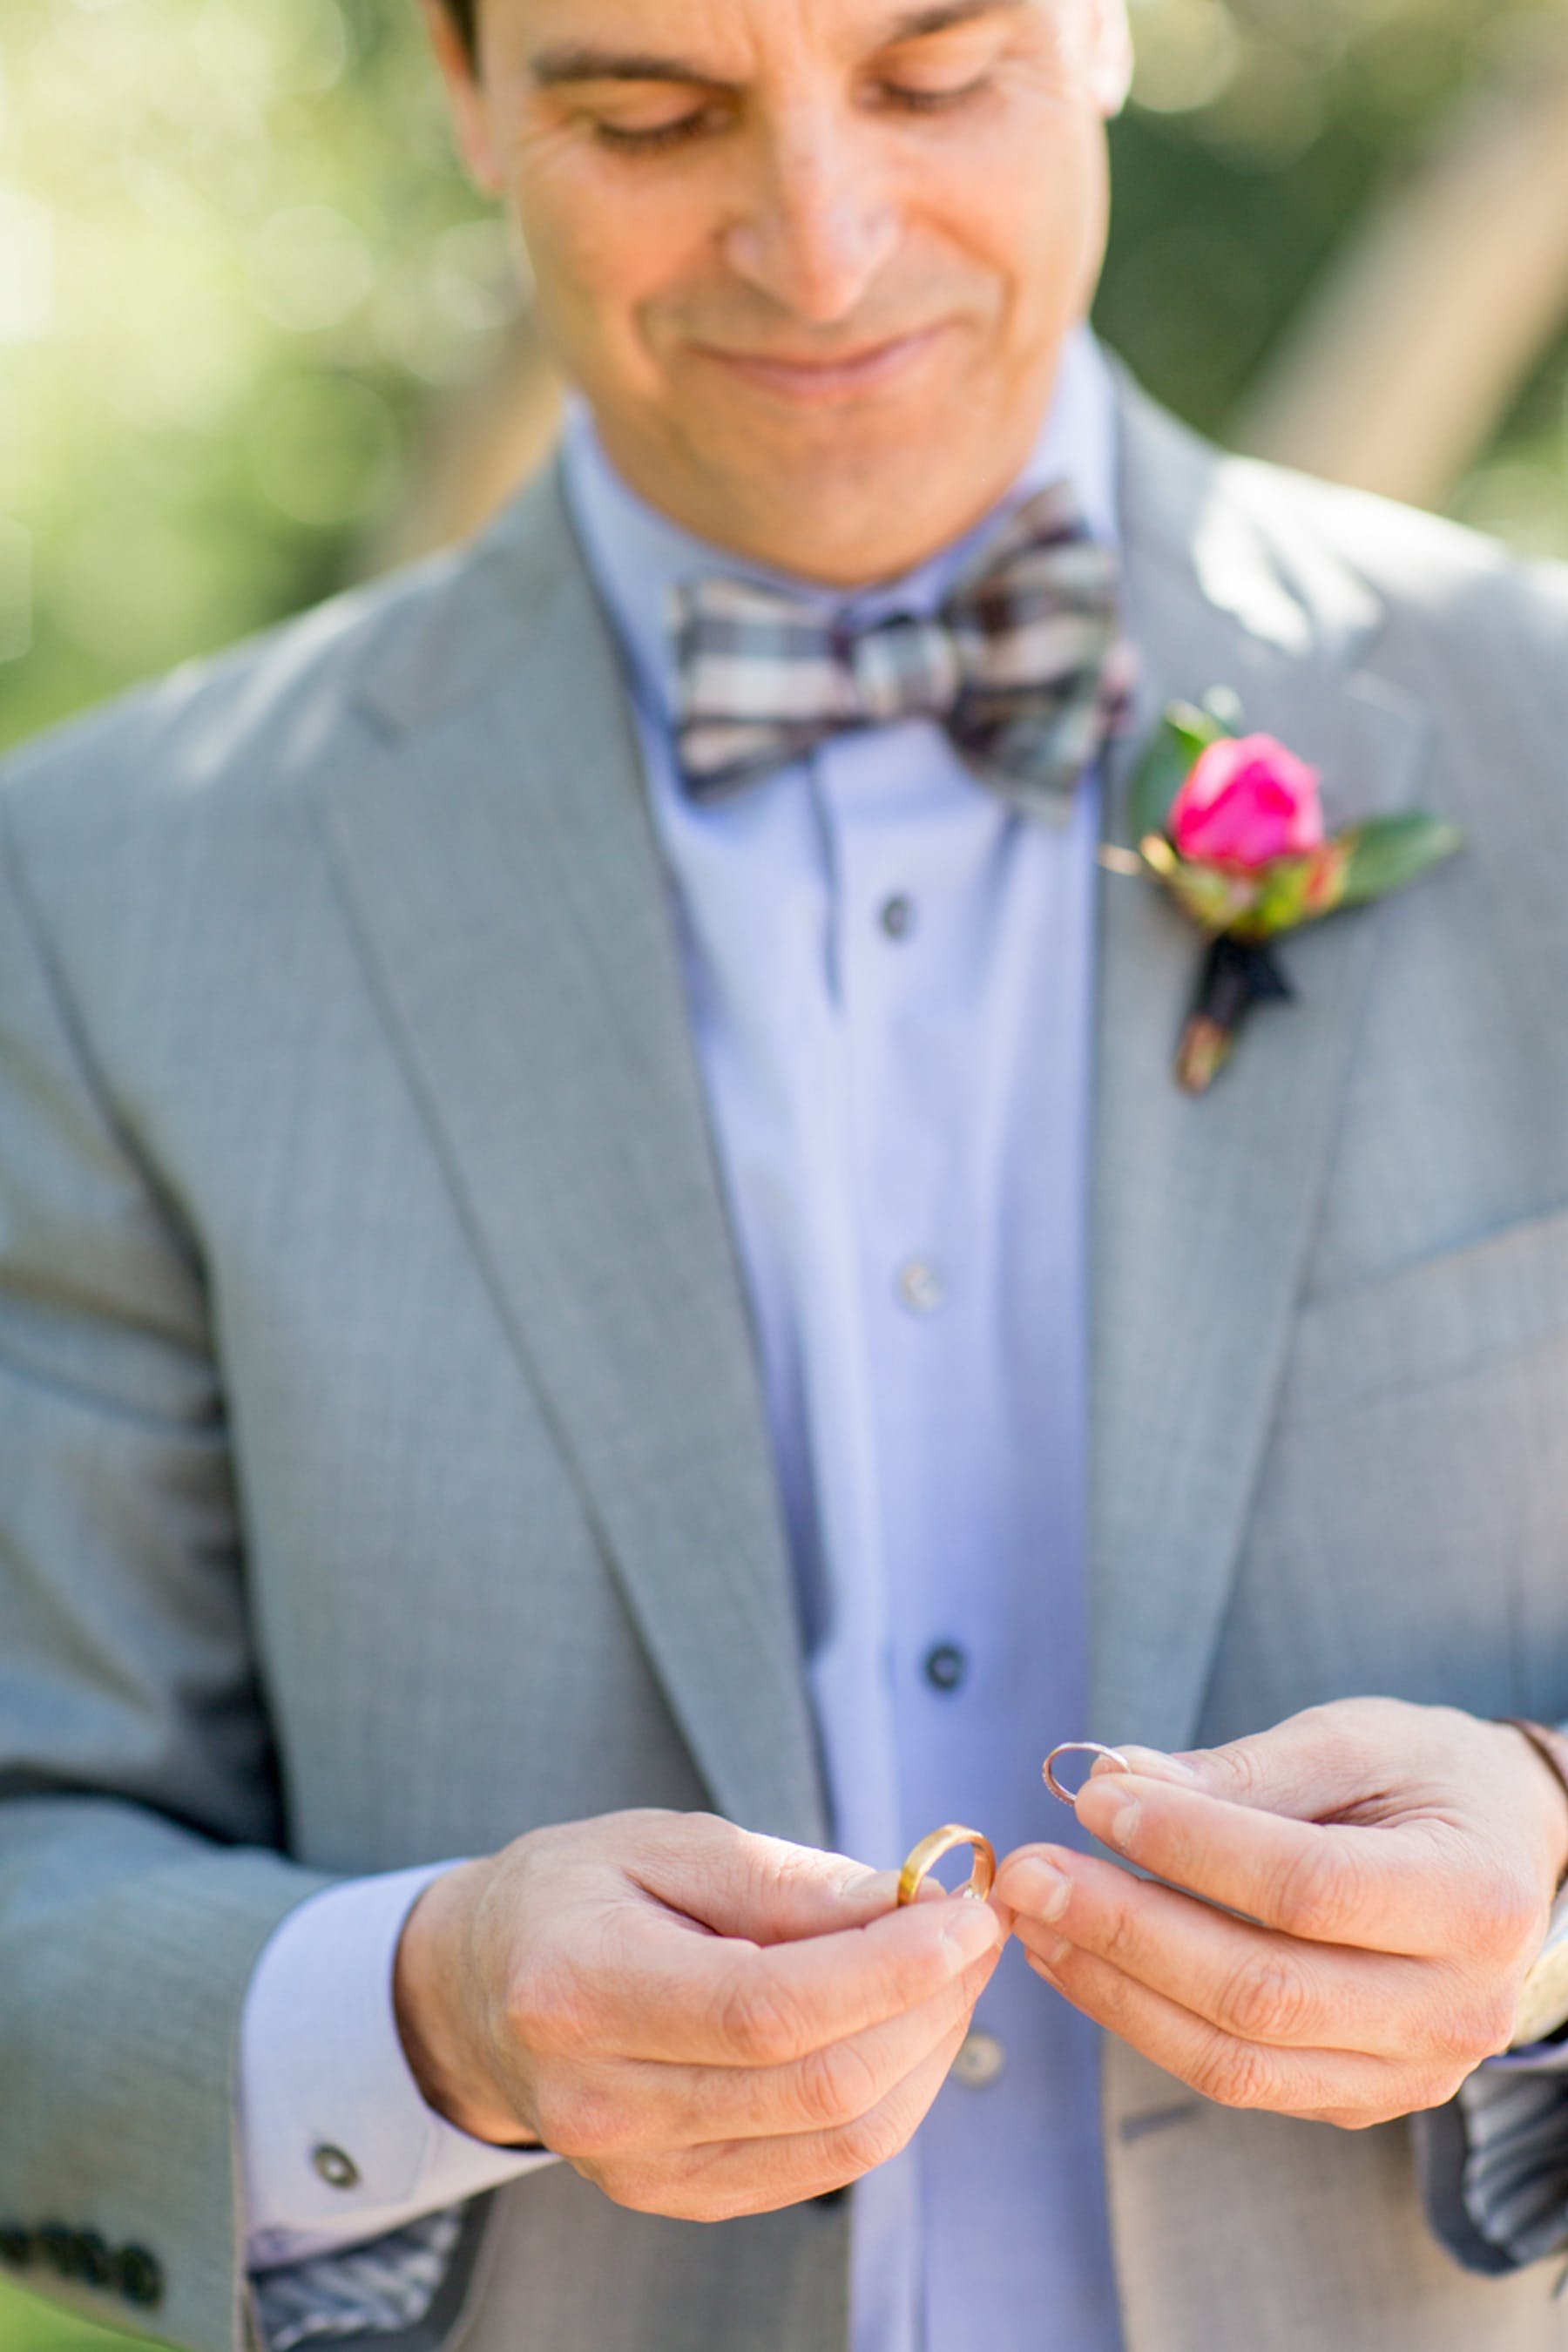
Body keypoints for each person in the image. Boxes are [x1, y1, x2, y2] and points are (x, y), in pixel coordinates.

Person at [4, 0, 1568, 2347]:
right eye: (653, 112)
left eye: (938, 80)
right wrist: (428, 2009)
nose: (822, 250)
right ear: (461, 85)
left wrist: (1553, 1876)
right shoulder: (98, 894)